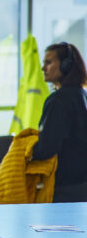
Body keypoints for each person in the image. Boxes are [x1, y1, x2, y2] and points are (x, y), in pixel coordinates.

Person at [31, 42, 87, 202]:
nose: (43, 68)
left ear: (66, 65)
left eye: (48, 62)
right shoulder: (82, 95)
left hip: (64, 187)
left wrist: (27, 151)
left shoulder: (58, 101)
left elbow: (47, 148)